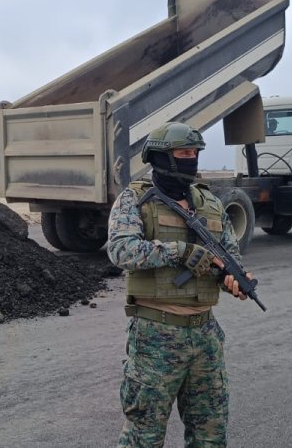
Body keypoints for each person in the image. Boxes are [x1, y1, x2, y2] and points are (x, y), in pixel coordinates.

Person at [106, 121, 255, 447]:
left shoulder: (211, 204)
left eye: (195, 153)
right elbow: (121, 250)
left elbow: (229, 255)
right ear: (161, 157)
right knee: (142, 436)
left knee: (211, 435)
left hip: (205, 337)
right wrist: (180, 252)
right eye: (183, 153)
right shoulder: (136, 201)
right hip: (156, 337)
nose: (191, 159)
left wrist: (234, 280)